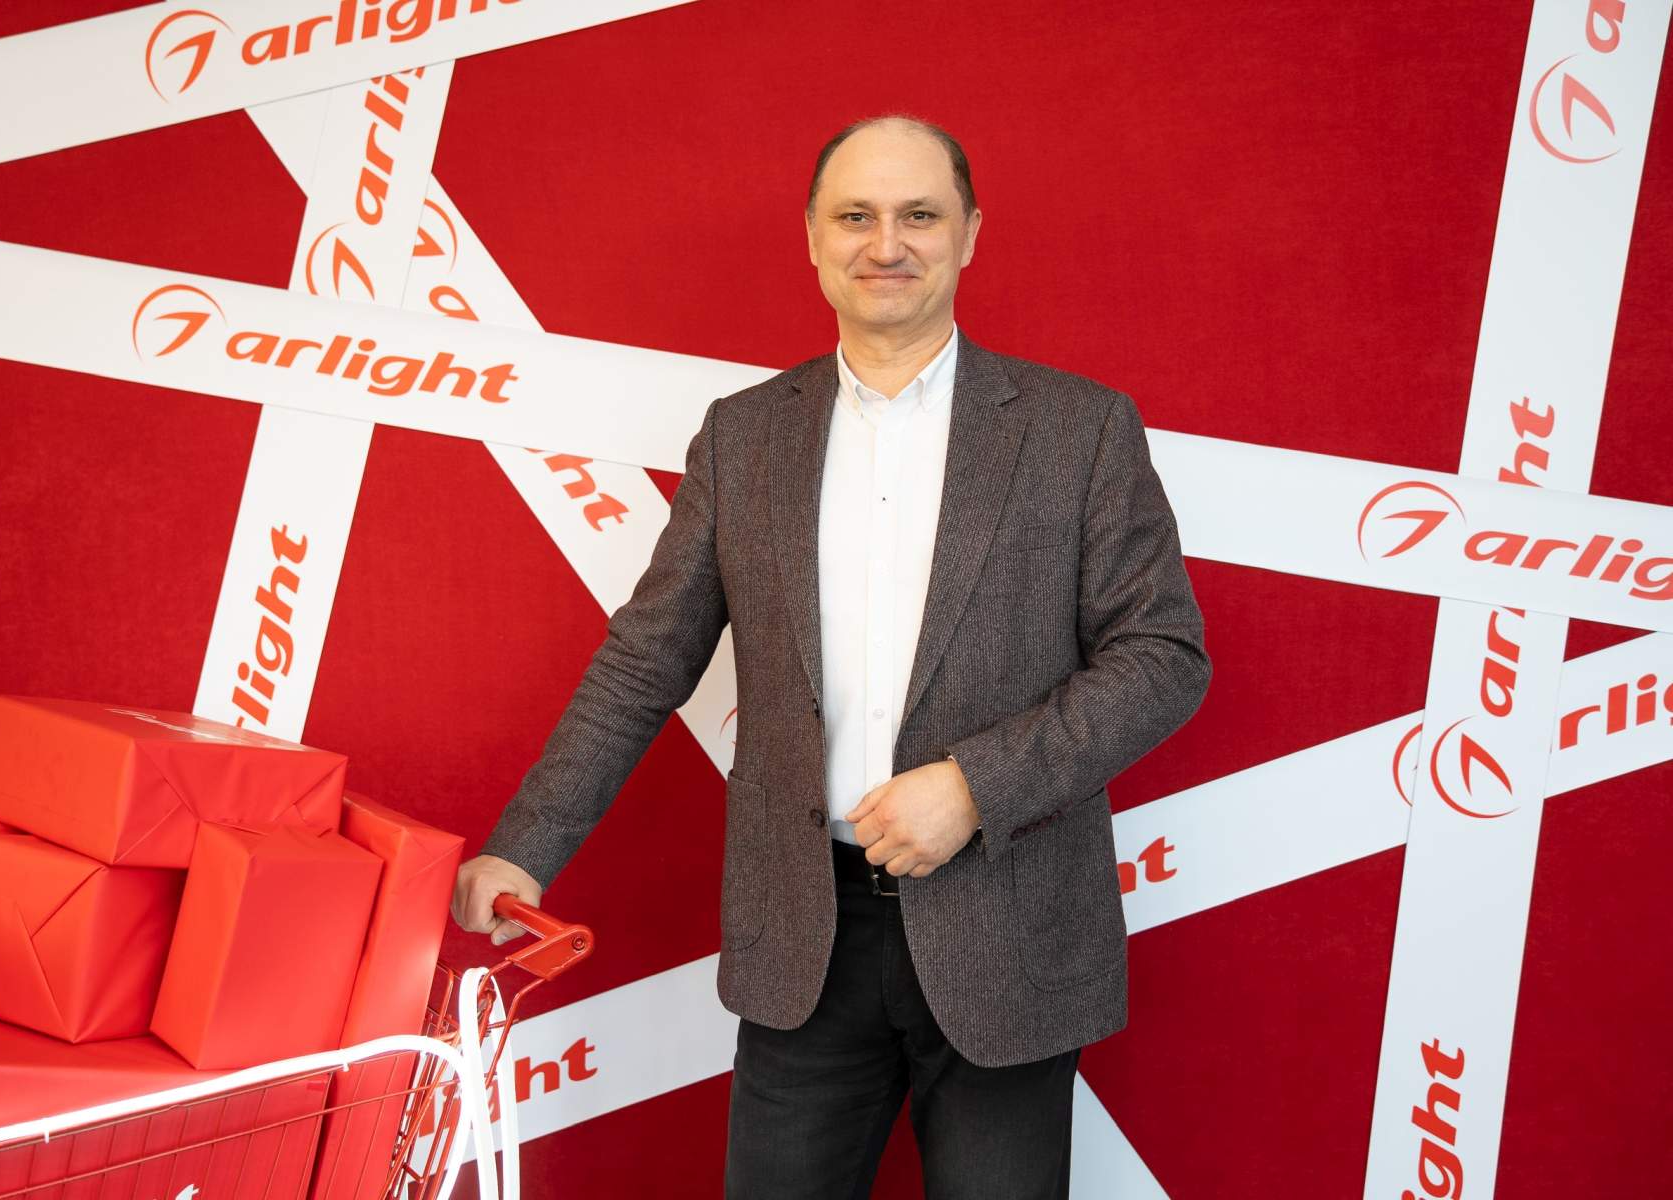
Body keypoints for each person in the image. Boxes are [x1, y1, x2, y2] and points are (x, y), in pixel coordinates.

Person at [451, 113, 1211, 1198]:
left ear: (971, 234)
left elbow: (1163, 655)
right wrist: (527, 846)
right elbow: (645, 660)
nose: (886, 244)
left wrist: (973, 787)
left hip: (1009, 925)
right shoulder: (744, 436)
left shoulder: (1078, 430)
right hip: (804, 934)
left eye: (919, 216)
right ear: (813, 238)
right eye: (856, 216)